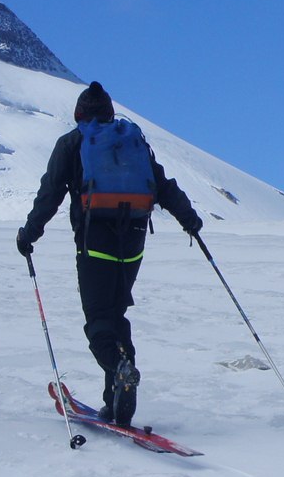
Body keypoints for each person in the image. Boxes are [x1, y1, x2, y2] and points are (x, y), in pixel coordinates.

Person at [16, 81, 203, 427]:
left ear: (79, 115)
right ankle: (115, 401)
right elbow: (163, 186)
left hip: (95, 245)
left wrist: (28, 235)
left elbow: (49, 195)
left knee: (99, 320)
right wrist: (189, 220)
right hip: (132, 245)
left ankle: (119, 370)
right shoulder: (132, 142)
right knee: (116, 315)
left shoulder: (73, 144)